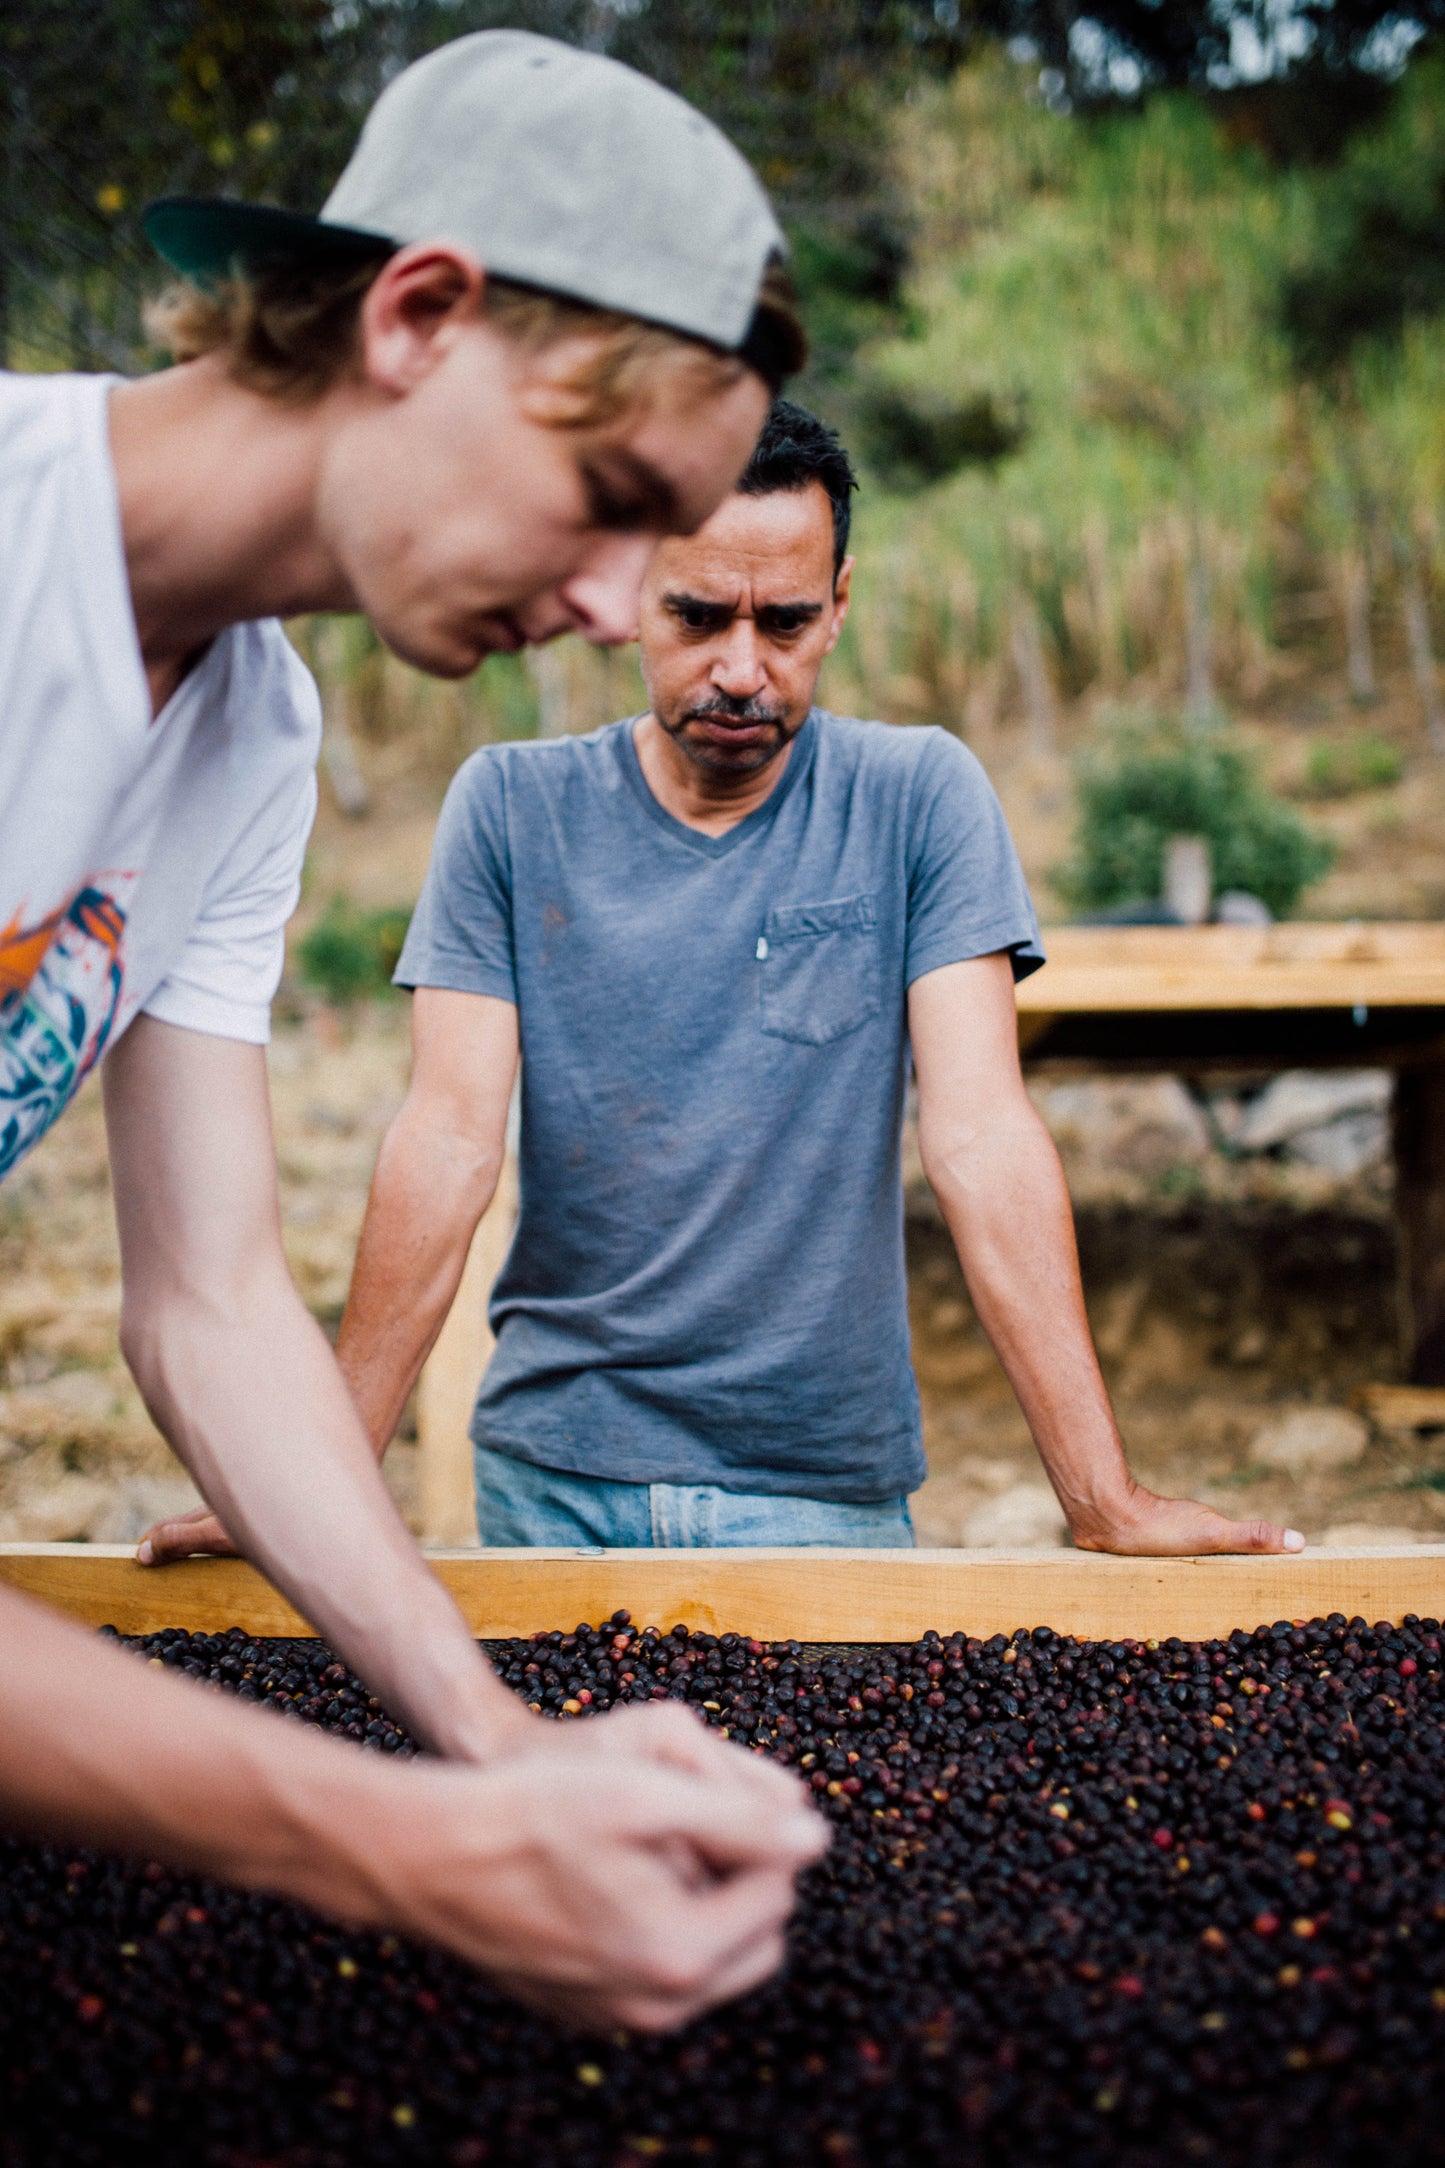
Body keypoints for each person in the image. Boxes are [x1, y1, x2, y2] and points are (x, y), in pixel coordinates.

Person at [1, 32, 823, 2029]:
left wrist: (489, 1733)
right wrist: (381, 1846)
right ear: (418, 312)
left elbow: (204, 1300)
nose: (624, 597)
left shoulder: (250, 732)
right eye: (612, 497)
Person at [160, 399, 1305, 1559]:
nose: (742, 670)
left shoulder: (917, 800)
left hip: (816, 1496)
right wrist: (309, 1478)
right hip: (553, 1480)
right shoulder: (510, 808)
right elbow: (447, 1140)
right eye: (698, 616)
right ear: (624, 592)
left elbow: (981, 1139)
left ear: (839, 605)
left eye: (787, 622)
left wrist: (1099, 1496)